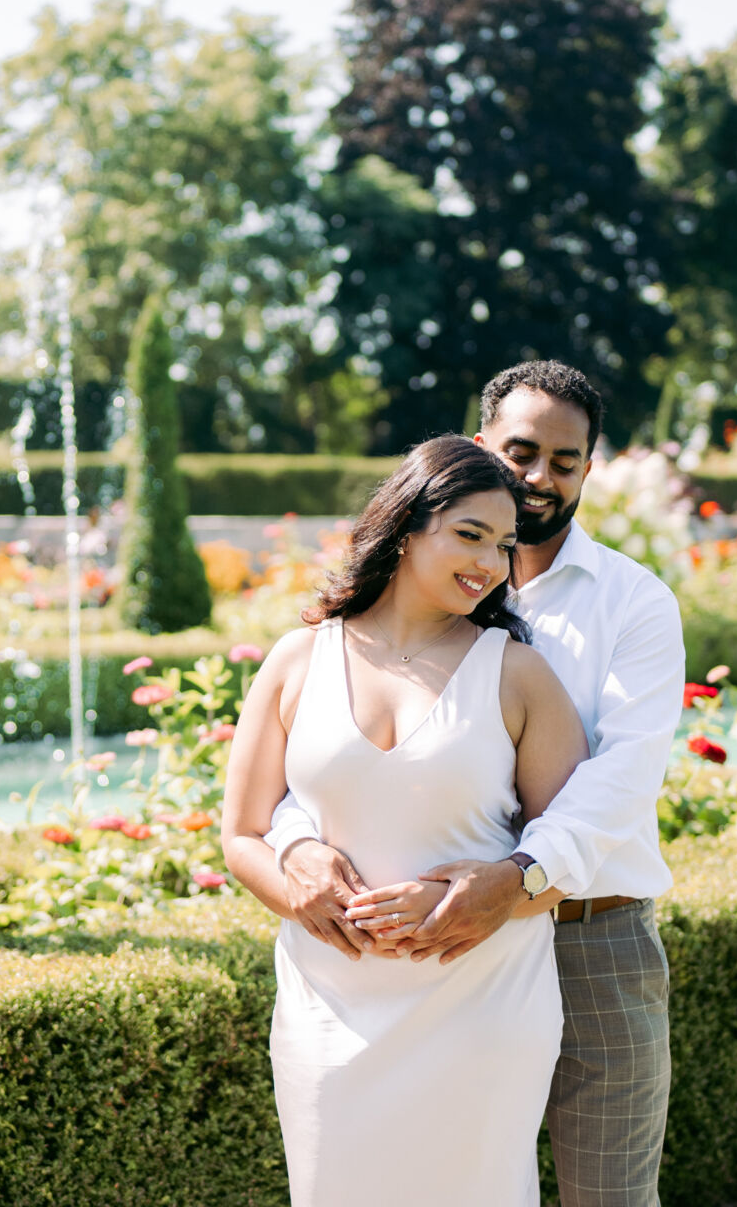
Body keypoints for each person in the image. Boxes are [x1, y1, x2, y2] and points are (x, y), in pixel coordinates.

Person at [267, 361, 685, 1207]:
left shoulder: (635, 603)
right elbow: (322, 762)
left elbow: (623, 779)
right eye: (521, 452)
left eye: (565, 462)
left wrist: (517, 881)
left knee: (608, 1199)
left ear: (589, 469)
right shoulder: (405, 607)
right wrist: (294, 844)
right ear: (479, 444)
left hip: (593, 936)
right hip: (435, 961)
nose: (540, 477)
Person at [221, 434, 593, 1207]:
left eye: (504, 545)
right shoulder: (296, 661)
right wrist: (295, 886)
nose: (490, 563)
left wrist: (492, 893)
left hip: (484, 1011)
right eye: (470, 535)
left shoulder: (520, 674)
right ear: (405, 527)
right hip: (328, 1015)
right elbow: (242, 836)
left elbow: (572, 850)